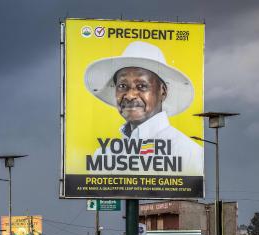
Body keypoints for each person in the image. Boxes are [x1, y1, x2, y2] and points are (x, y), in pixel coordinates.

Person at [86, 41, 203, 177]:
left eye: (142, 86)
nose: (129, 96)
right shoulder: (103, 155)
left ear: (162, 92)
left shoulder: (188, 152)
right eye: (122, 86)